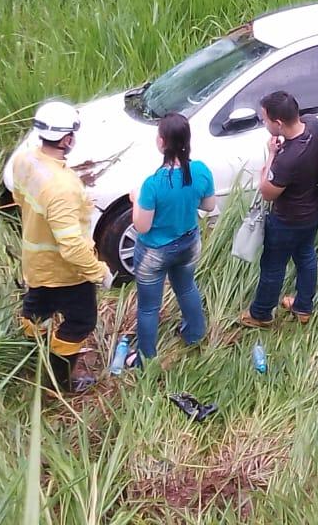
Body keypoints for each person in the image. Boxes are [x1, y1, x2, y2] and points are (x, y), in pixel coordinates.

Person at [13, 99, 113, 394]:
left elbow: (21, 200)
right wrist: (98, 272)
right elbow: (71, 247)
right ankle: (59, 381)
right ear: (67, 139)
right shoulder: (62, 187)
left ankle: (32, 345)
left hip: (36, 261)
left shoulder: (25, 160)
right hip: (66, 272)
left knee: (36, 306)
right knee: (80, 322)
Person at [126, 112, 216, 367]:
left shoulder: (153, 184)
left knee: (148, 307)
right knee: (186, 287)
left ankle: (145, 358)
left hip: (155, 251)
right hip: (189, 243)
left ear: (162, 142)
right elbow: (209, 205)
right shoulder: (200, 171)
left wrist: (135, 200)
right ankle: (195, 334)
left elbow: (141, 225)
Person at [240, 91, 318, 328]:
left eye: (265, 119)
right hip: (313, 212)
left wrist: (271, 155)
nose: (264, 123)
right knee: (306, 255)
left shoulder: (288, 159)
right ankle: (303, 307)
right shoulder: (313, 126)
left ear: (278, 123)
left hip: (287, 220)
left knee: (273, 266)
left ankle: (261, 314)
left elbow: (267, 191)